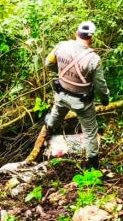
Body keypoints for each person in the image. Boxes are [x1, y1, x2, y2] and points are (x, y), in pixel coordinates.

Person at [43, 21, 110, 169]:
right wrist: (105, 100)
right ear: (91, 38)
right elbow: (100, 86)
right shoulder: (93, 59)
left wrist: (63, 73)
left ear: (76, 33)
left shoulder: (61, 46)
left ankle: (49, 125)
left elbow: (48, 64)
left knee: (57, 111)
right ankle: (92, 164)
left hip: (61, 94)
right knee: (90, 131)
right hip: (81, 103)